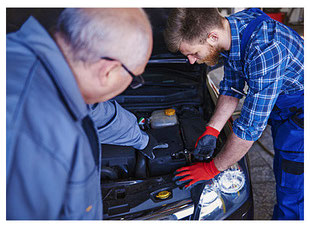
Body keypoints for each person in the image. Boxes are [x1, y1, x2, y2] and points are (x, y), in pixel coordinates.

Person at [6, 8, 155, 219]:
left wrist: (142, 139)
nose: (132, 84)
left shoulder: (28, 59)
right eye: (135, 79)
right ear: (108, 71)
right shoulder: (34, 140)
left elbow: (100, 115)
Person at [164, 8, 304, 220]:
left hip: (301, 113)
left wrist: (212, 169)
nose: (191, 61)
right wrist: (212, 130)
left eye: (193, 53)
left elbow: (248, 129)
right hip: (284, 107)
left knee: (294, 188)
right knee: (284, 172)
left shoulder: (266, 49)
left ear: (212, 36)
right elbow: (232, 89)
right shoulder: (232, 30)